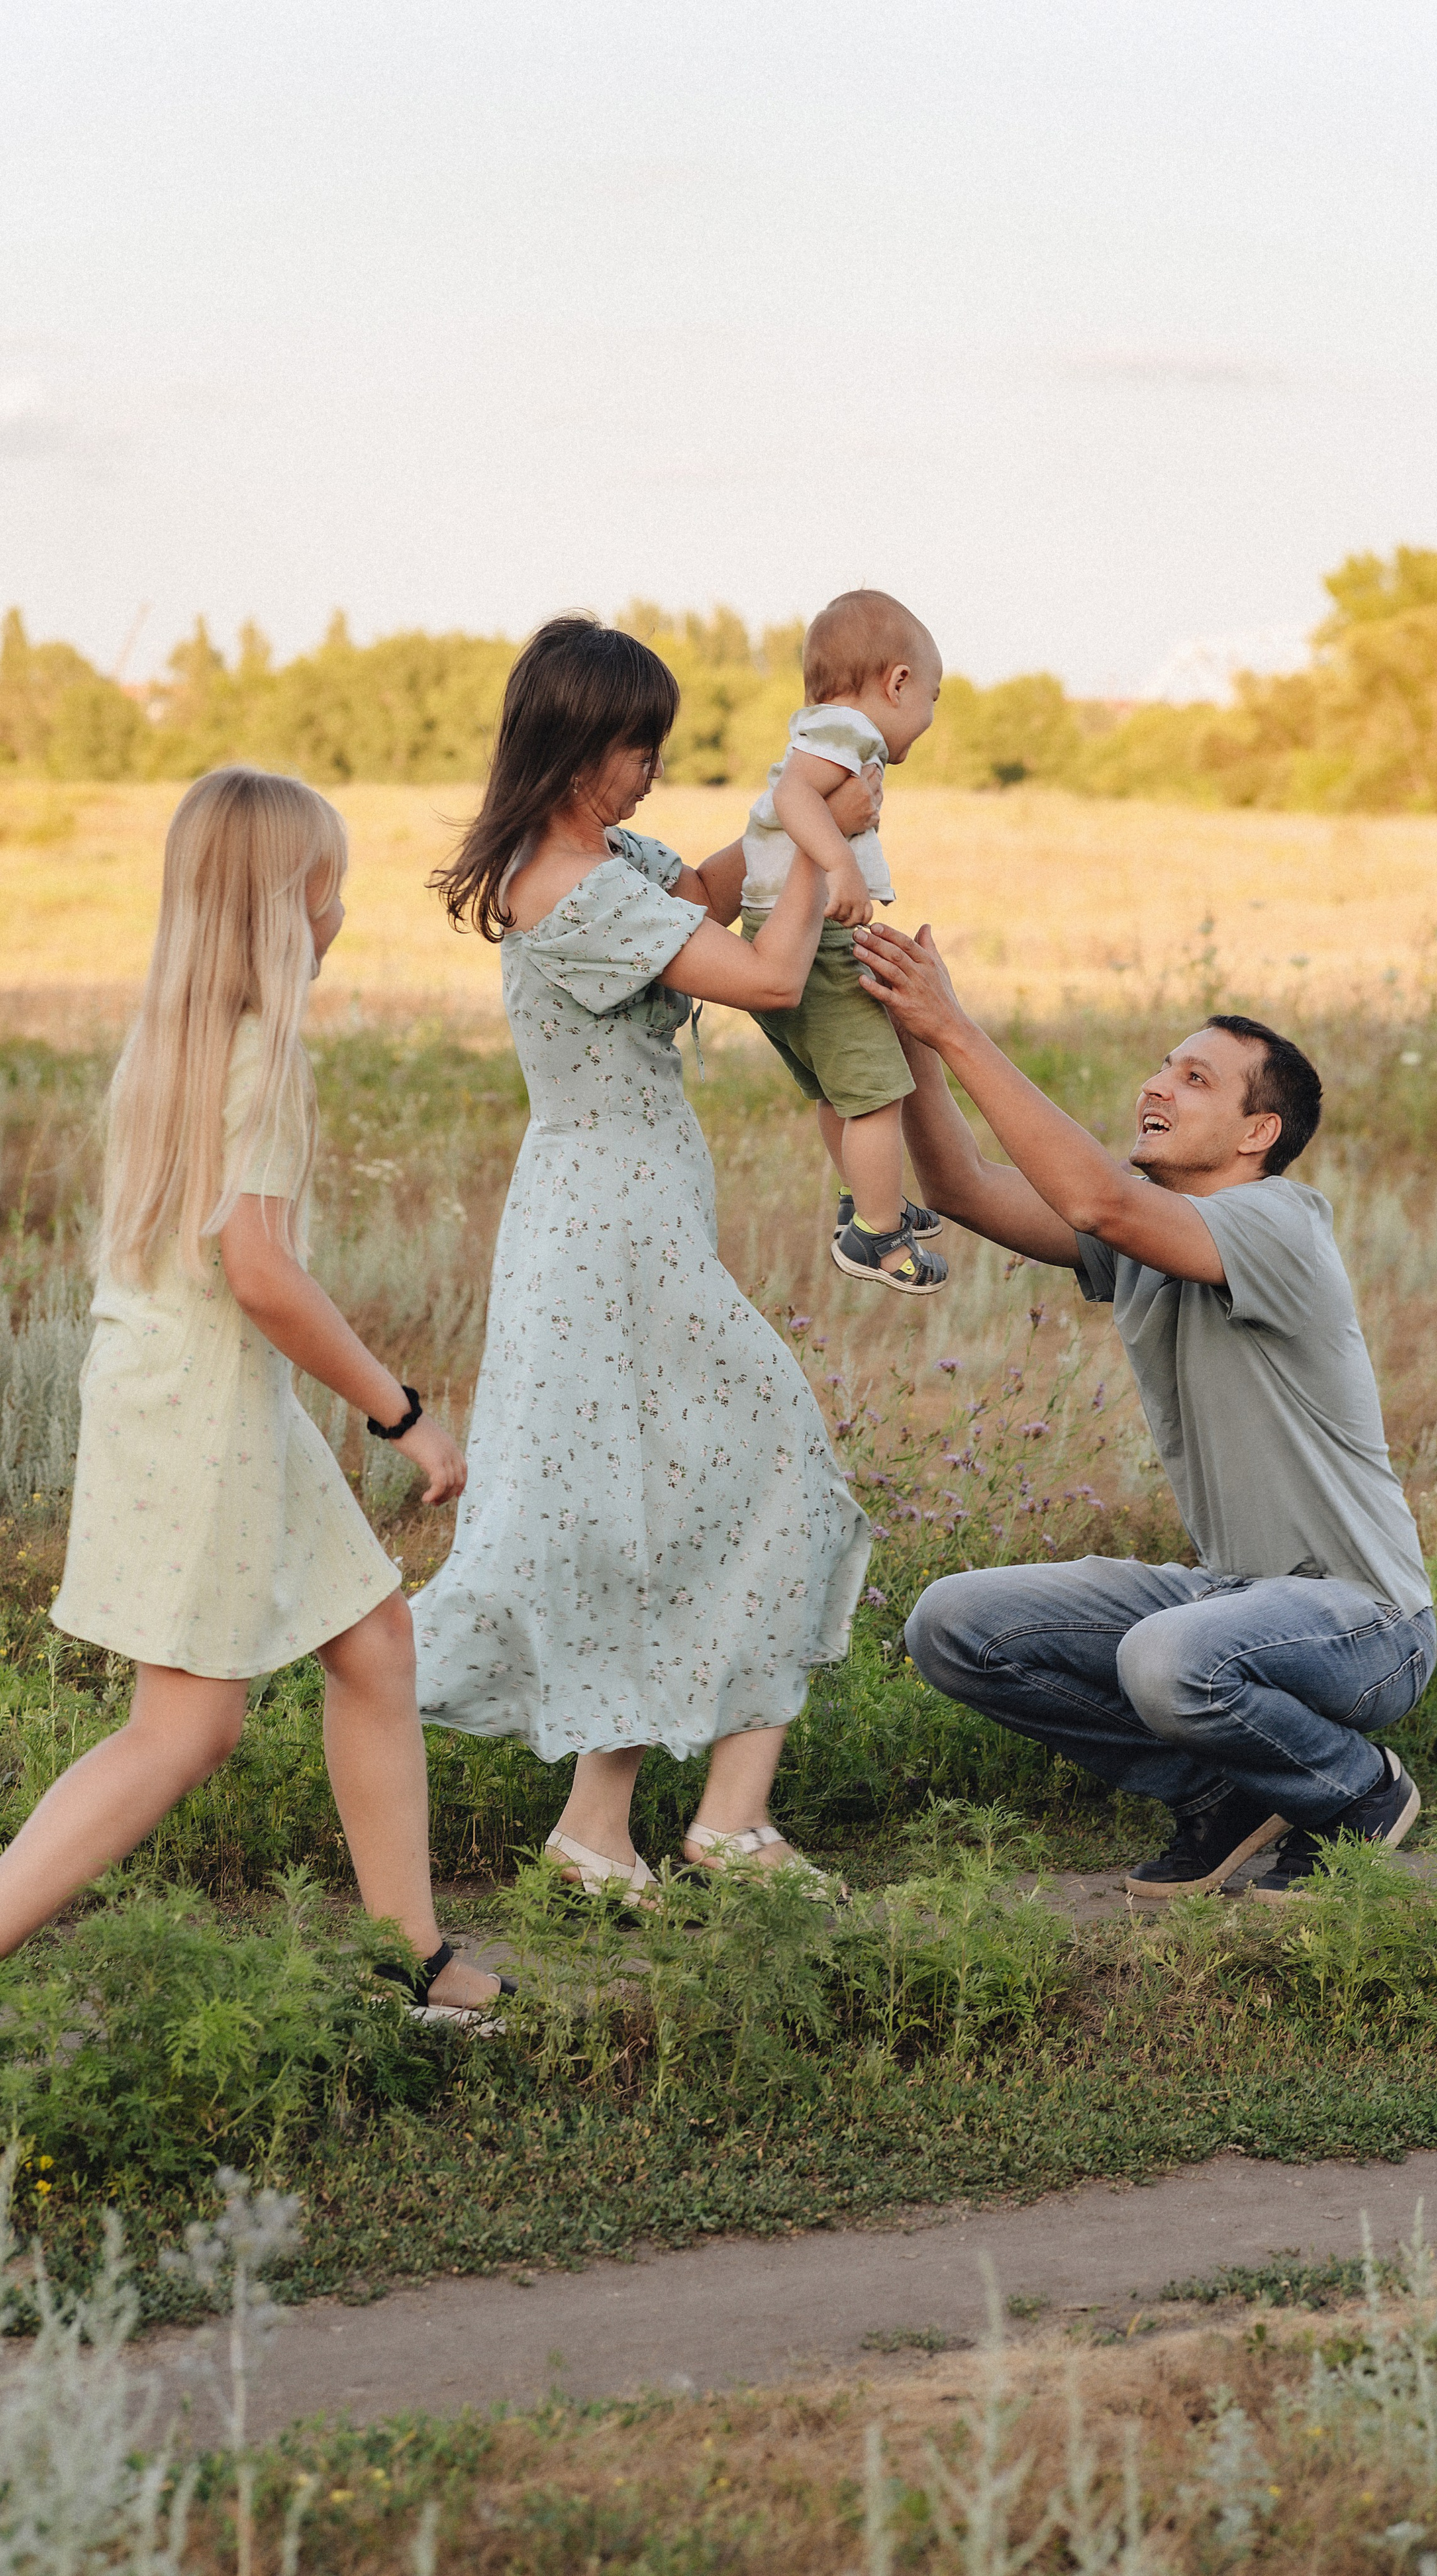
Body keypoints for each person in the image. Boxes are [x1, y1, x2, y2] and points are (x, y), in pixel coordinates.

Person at [0, 767, 507, 2026]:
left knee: (373, 1638)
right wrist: (399, 1410)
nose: (341, 907)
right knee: (184, 1730)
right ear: (286, 905)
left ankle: (406, 1957)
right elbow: (261, 1272)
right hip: (200, 1408)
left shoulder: (177, 1034)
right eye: (329, 884)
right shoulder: (263, 1059)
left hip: (194, 1393)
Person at [411, 615, 872, 1900]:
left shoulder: (607, 861)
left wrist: (797, 803)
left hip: (636, 1213)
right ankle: (714, 1821)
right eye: (636, 745)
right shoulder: (554, 885)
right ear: (571, 750)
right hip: (600, 1234)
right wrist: (827, 854)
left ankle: (611, 1829)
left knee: (646, 1505)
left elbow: (704, 893)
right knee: (770, 1468)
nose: (653, 767)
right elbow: (768, 978)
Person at [852, 918, 1436, 1902]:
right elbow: (958, 1184)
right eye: (1164, 1066)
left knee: (1169, 1657)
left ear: (1261, 1134)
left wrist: (957, 1026)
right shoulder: (1150, 1233)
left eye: (1197, 1078)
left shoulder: (1281, 1223)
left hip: (1366, 1623)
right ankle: (1229, 1792)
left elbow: (1099, 1205)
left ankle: (1355, 1791)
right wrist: (913, 1033)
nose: (1157, 1084)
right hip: (1231, 1600)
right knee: (952, 1623)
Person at [738, 589, 948, 1295]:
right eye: (932, 696)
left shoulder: (820, 727)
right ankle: (879, 1239)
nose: (928, 715)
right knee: (877, 1092)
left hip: (776, 926)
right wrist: (839, 863)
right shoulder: (848, 732)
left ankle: (869, 1197)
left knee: (839, 1090)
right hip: (812, 934)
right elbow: (794, 799)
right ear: (897, 681)